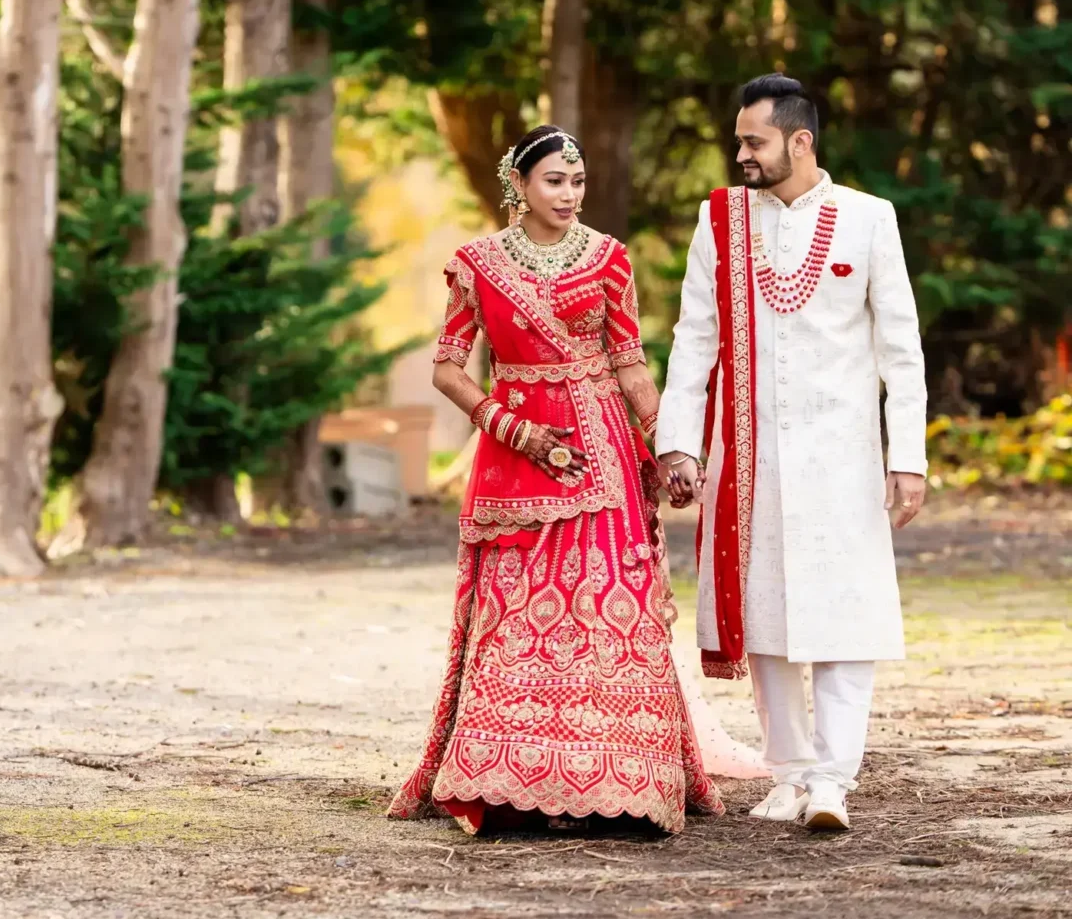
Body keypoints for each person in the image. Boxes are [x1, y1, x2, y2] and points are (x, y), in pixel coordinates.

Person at [387, 125, 726, 835]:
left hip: (603, 451)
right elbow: (448, 367)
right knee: (515, 617)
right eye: (554, 182)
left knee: (613, 609)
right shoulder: (475, 265)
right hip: (516, 459)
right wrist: (512, 427)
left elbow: (630, 362)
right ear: (519, 184)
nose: (569, 195)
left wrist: (670, 448)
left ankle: (627, 784)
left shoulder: (609, 260)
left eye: (576, 183)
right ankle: (511, 789)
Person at [655, 74, 929, 832]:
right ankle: (790, 774)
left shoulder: (869, 220)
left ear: (800, 142)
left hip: (842, 455)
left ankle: (834, 780)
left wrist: (907, 455)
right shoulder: (722, 221)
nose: (739, 153)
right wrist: (677, 441)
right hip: (751, 457)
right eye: (739, 139)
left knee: (846, 613)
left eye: (754, 141)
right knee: (763, 613)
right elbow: (694, 336)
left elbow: (900, 350)